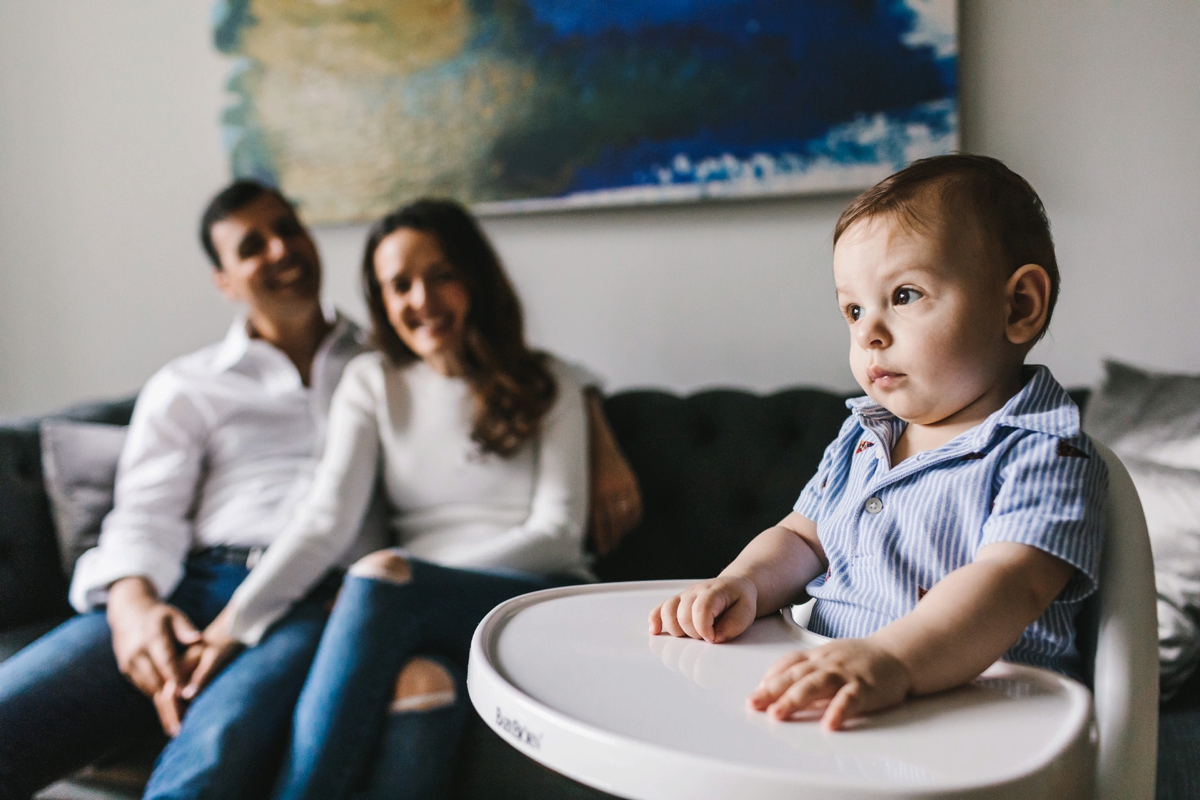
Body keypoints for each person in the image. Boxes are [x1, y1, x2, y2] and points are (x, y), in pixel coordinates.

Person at [0, 183, 639, 800]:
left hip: (327, 599)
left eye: (287, 229)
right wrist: (131, 601)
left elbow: (534, 388)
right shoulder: (200, 384)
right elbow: (150, 513)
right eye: (252, 246)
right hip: (191, 586)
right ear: (223, 281)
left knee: (214, 755)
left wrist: (593, 412)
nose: (279, 251)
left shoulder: (392, 358)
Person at [650, 154, 1108, 732]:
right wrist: (742, 582)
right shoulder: (863, 436)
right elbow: (801, 537)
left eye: (906, 295)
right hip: (833, 696)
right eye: (853, 309)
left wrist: (892, 658)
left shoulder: (1045, 453)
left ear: (1018, 306)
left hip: (977, 722)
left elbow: (1009, 583)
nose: (868, 331)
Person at [182, 198, 593, 800]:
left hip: (535, 598)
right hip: (416, 608)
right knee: (421, 685)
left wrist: (409, 583)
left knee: (376, 577)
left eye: (441, 275)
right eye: (399, 285)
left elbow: (558, 533)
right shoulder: (372, 382)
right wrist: (235, 623)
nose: (421, 300)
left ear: (475, 278)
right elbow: (325, 520)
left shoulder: (551, 383)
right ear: (381, 300)